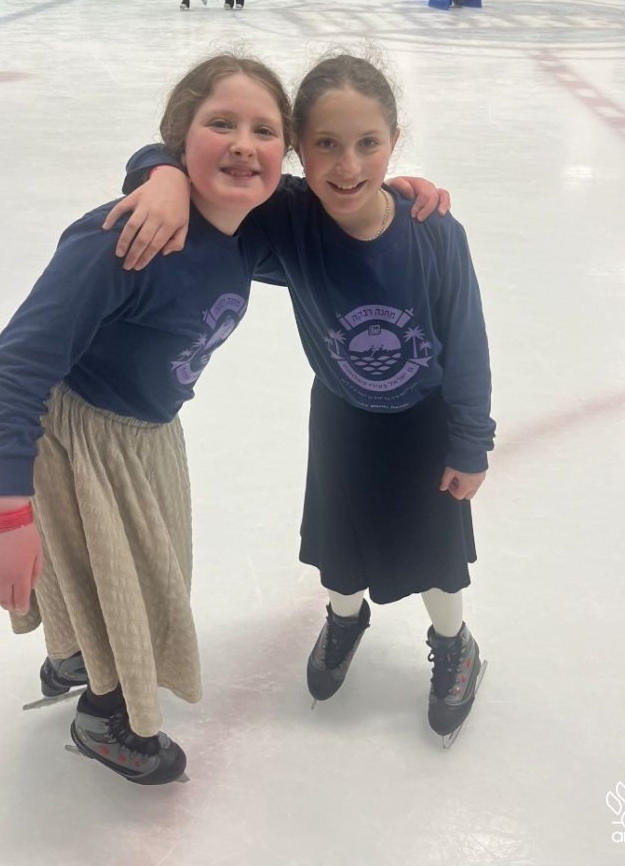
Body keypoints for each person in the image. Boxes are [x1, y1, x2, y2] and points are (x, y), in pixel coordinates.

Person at [104, 54, 494, 741]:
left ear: (395, 141)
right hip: (341, 417)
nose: (348, 166)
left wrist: (471, 442)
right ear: (297, 151)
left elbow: (467, 343)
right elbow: (188, 161)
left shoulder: (433, 231)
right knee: (339, 546)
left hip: (425, 423)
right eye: (326, 145)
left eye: (368, 143)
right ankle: (345, 617)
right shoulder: (287, 220)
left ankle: (454, 641)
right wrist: (159, 175)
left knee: (436, 554)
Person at [0, 54, 295, 786]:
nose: (244, 144)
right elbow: (15, 369)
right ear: (182, 135)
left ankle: (75, 653)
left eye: (264, 130)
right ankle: (103, 715)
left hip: (149, 434)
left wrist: (404, 198)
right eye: (221, 124)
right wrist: (4, 515)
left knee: (116, 569)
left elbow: (344, 201)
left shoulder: (255, 231)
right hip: (81, 438)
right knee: (138, 588)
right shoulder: (123, 238)